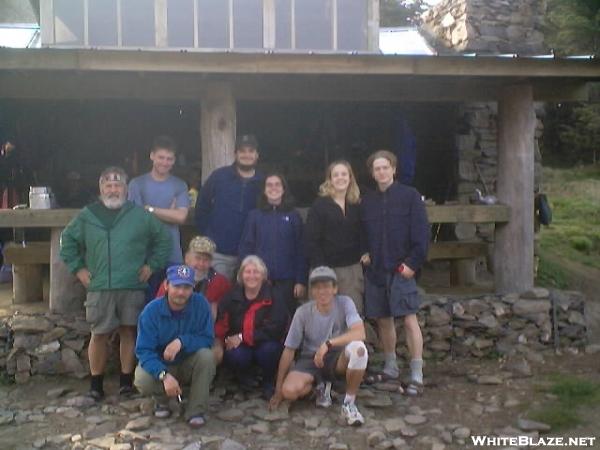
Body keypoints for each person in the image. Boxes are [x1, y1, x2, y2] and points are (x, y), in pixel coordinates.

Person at [60, 166, 171, 400]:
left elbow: (163, 239)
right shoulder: (87, 215)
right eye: (108, 185)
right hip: (99, 286)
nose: (113, 189)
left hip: (132, 284)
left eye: (118, 185)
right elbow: (67, 241)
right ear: (101, 188)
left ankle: (125, 382)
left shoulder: (139, 215)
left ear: (126, 189)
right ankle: (95, 386)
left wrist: (151, 266)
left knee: (129, 331)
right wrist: (79, 269)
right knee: (98, 334)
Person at [360, 150, 430, 396]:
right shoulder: (367, 201)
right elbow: (361, 232)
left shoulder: (410, 196)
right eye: (376, 169)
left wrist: (412, 263)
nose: (381, 172)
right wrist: (364, 253)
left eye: (385, 167)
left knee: (409, 319)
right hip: (377, 269)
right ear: (372, 173)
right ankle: (390, 367)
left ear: (394, 169)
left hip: (402, 269)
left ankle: (417, 373)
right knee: (383, 320)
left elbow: (422, 235)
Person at [269, 266, 368, 426]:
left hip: (336, 357)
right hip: (310, 359)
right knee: (289, 391)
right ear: (312, 291)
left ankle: (349, 403)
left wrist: (328, 344)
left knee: (359, 349)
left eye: (327, 286)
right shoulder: (302, 312)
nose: (322, 291)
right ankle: (320, 386)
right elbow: (289, 350)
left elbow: (360, 333)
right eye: (317, 287)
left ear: (335, 288)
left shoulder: (345, 303)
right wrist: (278, 388)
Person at [134, 264, 216, 428]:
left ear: (193, 288)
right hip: (162, 366)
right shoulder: (151, 311)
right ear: (166, 285)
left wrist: (182, 341)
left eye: (186, 287)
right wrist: (164, 375)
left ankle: (196, 409)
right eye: (177, 286)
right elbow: (144, 351)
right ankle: (161, 401)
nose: (181, 292)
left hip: (188, 363)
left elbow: (207, 339)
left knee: (207, 356)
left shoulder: (201, 304)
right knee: (142, 379)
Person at [214, 255, 288, 399]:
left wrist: (242, 337)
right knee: (235, 354)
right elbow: (222, 321)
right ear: (241, 275)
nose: (252, 276)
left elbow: (276, 327)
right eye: (248, 272)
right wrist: (224, 340)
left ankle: (268, 381)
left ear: (263, 275)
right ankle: (244, 380)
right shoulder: (231, 295)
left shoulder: (274, 295)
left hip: (265, 342)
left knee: (269, 351)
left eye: (256, 272)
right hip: (240, 345)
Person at [128, 136, 191, 299]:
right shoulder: (137, 184)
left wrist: (149, 209)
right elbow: (137, 218)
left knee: (173, 301)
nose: (165, 162)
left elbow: (181, 217)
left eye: (169, 159)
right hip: (145, 255)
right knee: (145, 304)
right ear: (152, 156)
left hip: (172, 254)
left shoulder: (180, 185)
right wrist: (168, 213)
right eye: (161, 157)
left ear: (174, 160)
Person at [194, 134, 263, 280]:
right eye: (242, 151)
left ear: (257, 155)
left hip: (251, 255)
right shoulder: (219, 177)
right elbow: (201, 207)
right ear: (235, 154)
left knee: (245, 299)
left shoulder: (263, 182)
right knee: (216, 296)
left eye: (251, 151)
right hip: (219, 253)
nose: (246, 155)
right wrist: (209, 236)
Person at [305, 160, 367, 315]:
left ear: (350, 178)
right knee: (324, 316)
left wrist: (365, 251)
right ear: (330, 179)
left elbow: (364, 233)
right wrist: (321, 270)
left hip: (351, 270)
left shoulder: (356, 205)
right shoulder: (319, 205)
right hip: (326, 269)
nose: (340, 178)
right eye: (336, 175)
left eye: (344, 174)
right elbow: (312, 240)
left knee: (352, 315)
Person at [239, 173, 307, 314]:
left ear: (283, 189)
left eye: (277, 185)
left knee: (286, 320)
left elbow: (301, 249)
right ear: (264, 190)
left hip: (287, 281)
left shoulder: (294, 216)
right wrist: (247, 276)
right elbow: (246, 247)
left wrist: (300, 280)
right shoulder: (254, 216)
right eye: (269, 185)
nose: (273, 188)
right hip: (260, 280)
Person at [155, 236, 231, 320]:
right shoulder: (172, 280)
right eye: (198, 258)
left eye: (206, 260)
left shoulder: (221, 283)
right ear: (187, 258)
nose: (201, 264)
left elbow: (224, 318)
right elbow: (158, 311)